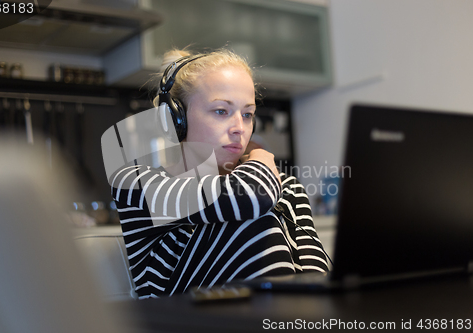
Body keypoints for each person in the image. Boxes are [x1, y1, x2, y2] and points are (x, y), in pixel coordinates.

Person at [110, 48, 329, 299]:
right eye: (221, 111)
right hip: (176, 322)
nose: (240, 129)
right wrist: (260, 157)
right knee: (252, 213)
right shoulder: (132, 183)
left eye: (247, 114)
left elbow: (317, 276)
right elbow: (248, 198)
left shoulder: (284, 186)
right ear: (173, 119)